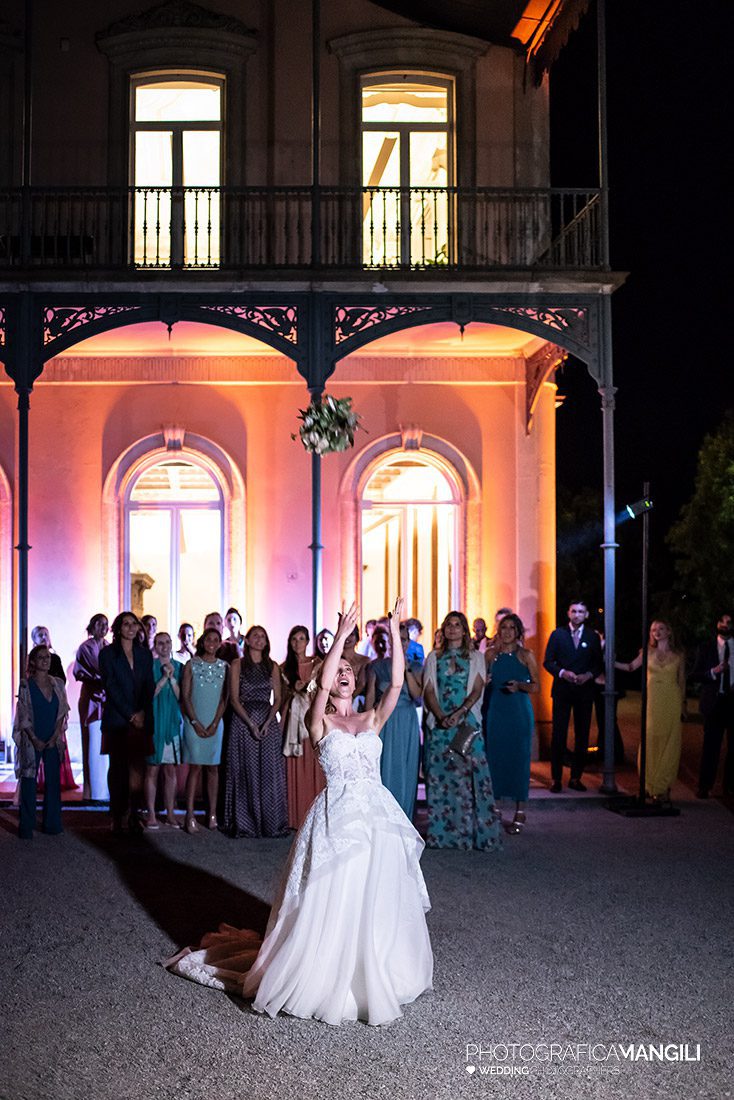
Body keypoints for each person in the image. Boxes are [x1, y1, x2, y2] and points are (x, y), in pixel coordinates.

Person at [166, 598, 433, 1027]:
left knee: (375, 893)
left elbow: (398, 685)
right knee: (335, 894)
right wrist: (342, 636)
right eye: (339, 671)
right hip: (336, 818)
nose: (344, 674)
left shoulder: (370, 720)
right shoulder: (319, 722)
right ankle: (328, 973)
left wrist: (396, 625)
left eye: (349, 670)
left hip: (377, 817)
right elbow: (322, 685)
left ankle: (374, 971)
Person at [422, 611, 502, 851]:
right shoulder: (434, 657)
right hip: (440, 725)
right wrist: (440, 715)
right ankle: (444, 836)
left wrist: (459, 713)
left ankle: (476, 834)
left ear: (465, 630)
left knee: (474, 778)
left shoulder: (476, 657)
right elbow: (428, 690)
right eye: (449, 625)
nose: (453, 629)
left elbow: (477, 689)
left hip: (467, 723)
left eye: (457, 625)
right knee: (441, 779)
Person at [221, 625, 288, 838]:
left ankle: (270, 823)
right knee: (244, 771)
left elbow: (277, 699)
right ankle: (246, 823)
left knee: (268, 772)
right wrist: (250, 724)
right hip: (242, 722)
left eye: (263, 636)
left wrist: (268, 722)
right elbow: (233, 698)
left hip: (267, 720)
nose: (260, 639)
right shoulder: (237, 665)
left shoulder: (273, 666)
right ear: (247, 640)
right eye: (255, 636)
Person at [616, 620, 685, 802]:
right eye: (653, 629)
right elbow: (631, 667)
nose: (657, 632)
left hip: (671, 700)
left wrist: (683, 706)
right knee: (651, 739)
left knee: (669, 741)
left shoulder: (678, 655)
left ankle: (663, 787)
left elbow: (682, 681)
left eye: (661, 628)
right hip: (653, 702)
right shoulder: (646, 652)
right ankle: (648, 784)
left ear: (669, 631)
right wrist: (611, 661)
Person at [99, 612, 155, 834]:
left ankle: (134, 813)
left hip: (141, 720)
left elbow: (149, 686)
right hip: (118, 719)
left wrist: (141, 713)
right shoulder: (107, 654)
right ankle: (116, 814)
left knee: (138, 769)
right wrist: (131, 715)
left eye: (134, 624)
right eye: (126, 624)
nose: (131, 628)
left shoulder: (144, 655)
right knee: (118, 770)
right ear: (118, 628)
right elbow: (110, 687)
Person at [483, 614, 538, 833]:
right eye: (503, 627)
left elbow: (537, 686)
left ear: (518, 632)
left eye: (511, 628)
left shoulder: (525, 655)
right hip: (495, 710)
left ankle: (520, 810)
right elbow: (482, 681)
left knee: (519, 760)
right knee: (494, 758)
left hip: (518, 712)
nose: (507, 631)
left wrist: (520, 686)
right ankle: (495, 807)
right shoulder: (490, 655)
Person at [543, 601, 603, 793]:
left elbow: (598, 664)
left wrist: (588, 675)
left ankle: (576, 777)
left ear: (586, 615)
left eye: (581, 612)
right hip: (562, 690)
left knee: (582, 735)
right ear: (568, 613)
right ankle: (556, 778)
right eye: (574, 611)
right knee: (558, 735)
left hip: (584, 692)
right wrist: (562, 672)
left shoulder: (592, 637)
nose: (577, 615)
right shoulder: (557, 634)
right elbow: (548, 661)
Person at [364, 620, 422, 819]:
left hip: (407, 721)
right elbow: (370, 699)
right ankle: (381, 818)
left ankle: (404, 817)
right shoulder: (376, 667)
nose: (402, 643)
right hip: (384, 721)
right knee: (383, 767)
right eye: (398, 639)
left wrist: (405, 668)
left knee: (406, 770)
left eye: (405, 640)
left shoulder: (415, 666)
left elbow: (417, 696)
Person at [13, 645, 70, 839]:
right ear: (33, 662)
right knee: (29, 781)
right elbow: (23, 714)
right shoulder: (25, 685)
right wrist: (34, 738)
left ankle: (52, 824)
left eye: (47, 657)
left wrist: (55, 735)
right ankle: (26, 826)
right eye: (41, 657)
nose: (45, 660)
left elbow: (63, 710)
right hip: (32, 739)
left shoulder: (58, 684)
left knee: (53, 782)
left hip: (52, 737)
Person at [181, 628, 229, 833]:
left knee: (213, 768)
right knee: (195, 768)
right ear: (202, 642)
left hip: (215, 724)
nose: (212, 642)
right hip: (194, 723)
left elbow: (224, 699)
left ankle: (212, 814)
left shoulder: (225, 667)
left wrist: (215, 722)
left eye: (216, 640)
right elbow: (185, 695)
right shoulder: (191, 665)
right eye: (208, 639)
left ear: (220, 644)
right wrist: (195, 722)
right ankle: (190, 815)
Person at [281, 625, 324, 829]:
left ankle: (312, 816)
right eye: (294, 639)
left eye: (301, 639)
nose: (298, 643)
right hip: (292, 722)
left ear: (308, 642)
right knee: (294, 767)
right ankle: (294, 816)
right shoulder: (283, 667)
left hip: (313, 720)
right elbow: (280, 697)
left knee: (314, 766)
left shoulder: (318, 665)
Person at [144, 632, 184, 829]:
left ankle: (170, 813)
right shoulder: (149, 666)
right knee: (152, 769)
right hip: (154, 723)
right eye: (160, 643)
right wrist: (162, 680)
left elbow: (182, 697)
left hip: (171, 724)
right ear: (155, 645)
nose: (164, 646)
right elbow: (147, 695)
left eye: (168, 642)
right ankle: (151, 814)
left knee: (170, 770)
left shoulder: (180, 668)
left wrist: (172, 679)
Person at [692, 612, 734, 799]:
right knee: (711, 747)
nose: (725, 625)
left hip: (733, 701)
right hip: (714, 702)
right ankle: (704, 786)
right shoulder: (706, 647)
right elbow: (695, 675)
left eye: (729, 622)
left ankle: (730, 787)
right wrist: (713, 672)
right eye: (721, 621)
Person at [73, 613, 109, 799]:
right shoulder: (85, 647)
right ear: (92, 626)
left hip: (106, 699)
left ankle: (104, 789)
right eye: (99, 623)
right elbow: (93, 670)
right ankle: (91, 790)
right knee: (91, 743)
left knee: (105, 745)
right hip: (91, 699)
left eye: (106, 624)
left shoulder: (109, 646)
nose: (103, 627)